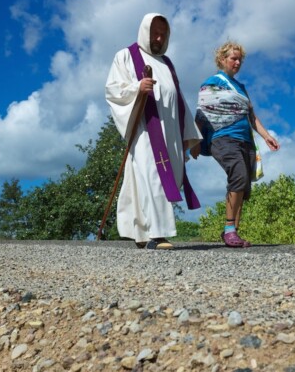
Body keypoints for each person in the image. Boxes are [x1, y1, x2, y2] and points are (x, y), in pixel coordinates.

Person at [105, 13, 202, 250]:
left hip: (170, 132)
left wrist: (192, 135)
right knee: (154, 175)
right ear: (144, 31)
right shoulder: (126, 56)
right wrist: (138, 87)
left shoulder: (168, 64)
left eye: (163, 34)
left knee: (141, 180)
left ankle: (139, 232)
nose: (158, 38)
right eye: (154, 32)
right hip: (146, 132)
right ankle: (158, 235)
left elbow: (178, 99)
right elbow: (113, 90)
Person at [192, 41, 280, 248]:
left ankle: (233, 233)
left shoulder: (241, 88)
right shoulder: (213, 82)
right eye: (233, 58)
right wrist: (195, 141)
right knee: (238, 174)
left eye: (240, 59)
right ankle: (229, 229)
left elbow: (251, 116)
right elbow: (201, 113)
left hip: (245, 139)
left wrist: (266, 136)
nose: (238, 62)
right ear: (222, 60)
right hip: (222, 138)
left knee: (243, 185)